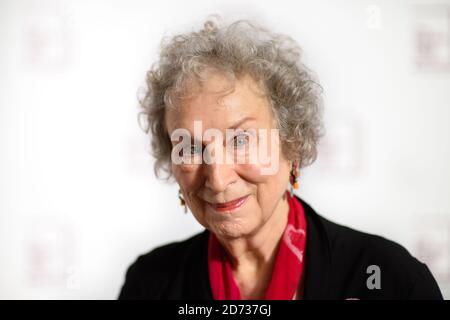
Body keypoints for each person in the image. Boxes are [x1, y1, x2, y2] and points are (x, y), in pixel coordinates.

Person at [118, 18, 443, 300]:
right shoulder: (150, 283)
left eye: (241, 140)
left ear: (292, 144)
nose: (217, 178)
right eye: (190, 148)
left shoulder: (389, 279)